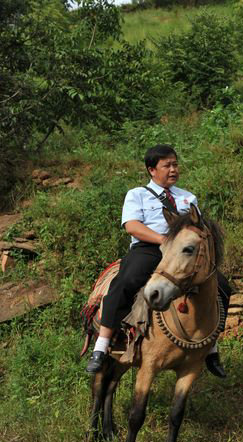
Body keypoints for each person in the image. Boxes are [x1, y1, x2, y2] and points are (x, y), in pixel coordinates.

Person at [86, 144, 230, 378]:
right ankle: (102, 346)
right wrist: (163, 240)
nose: (173, 169)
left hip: (182, 252)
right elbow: (132, 226)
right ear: (152, 170)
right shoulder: (137, 194)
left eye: (175, 164)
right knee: (126, 280)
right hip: (148, 249)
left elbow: (198, 229)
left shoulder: (187, 197)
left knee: (221, 285)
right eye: (167, 165)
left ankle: (211, 348)